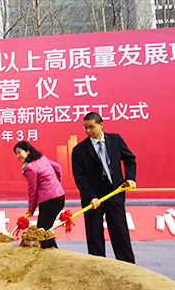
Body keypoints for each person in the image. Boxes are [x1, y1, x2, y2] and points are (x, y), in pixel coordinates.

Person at [71, 112, 136, 263]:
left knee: (120, 231)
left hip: (115, 191)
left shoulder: (115, 140)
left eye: (91, 127)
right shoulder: (79, 150)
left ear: (101, 125)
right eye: (85, 128)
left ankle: (128, 266)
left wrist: (130, 178)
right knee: (94, 235)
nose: (88, 131)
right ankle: (98, 266)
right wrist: (91, 197)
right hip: (93, 195)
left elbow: (129, 159)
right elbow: (80, 177)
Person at [13, 141, 65, 249]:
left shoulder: (29, 168)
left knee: (41, 232)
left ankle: (51, 254)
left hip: (49, 202)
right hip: (59, 198)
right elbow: (58, 167)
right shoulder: (42, 158)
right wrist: (56, 185)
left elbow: (32, 190)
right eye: (16, 154)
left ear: (28, 151)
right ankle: (54, 252)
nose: (18, 156)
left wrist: (31, 209)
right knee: (44, 230)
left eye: (19, 152)